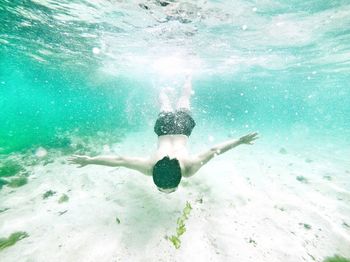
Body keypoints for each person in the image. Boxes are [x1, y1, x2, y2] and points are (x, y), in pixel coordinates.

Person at [68, 76, 258, 193]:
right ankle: (164, 87)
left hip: (183, 128)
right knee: (165, 104)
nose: (166, 192)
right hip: (164, 128)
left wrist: (240, 141)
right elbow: (119, 160)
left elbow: (215, 149)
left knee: (184, 98)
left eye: (163, 190)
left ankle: (186, 77)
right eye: (169, 190)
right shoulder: (149, 167)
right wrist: (89, 160)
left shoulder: (189, 169)